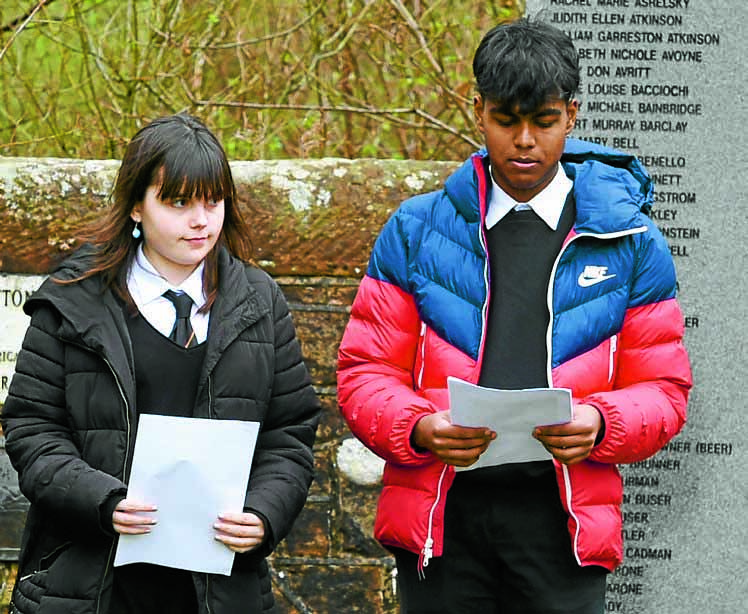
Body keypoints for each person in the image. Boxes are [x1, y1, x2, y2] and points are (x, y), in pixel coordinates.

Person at [337, 17, 692, 614]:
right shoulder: (414, 229)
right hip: (439, 524)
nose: (524, 140)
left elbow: (665, 389)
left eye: (544, 121)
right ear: (477, 110)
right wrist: (419, 428)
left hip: (566, 528)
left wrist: (603, 423)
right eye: (506, 120)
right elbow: (363, 373)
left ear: (572, 115)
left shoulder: (632, 240)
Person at [1, 113, 320, 614]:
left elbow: (290, 432)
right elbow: (31, 428)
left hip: (220, 588)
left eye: (212, 201)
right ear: (135, 206)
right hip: (90, 584)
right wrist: (102, 501)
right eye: (178, 203)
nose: (200, 220)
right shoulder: (71, 303)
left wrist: (263, 513)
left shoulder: (261, 302)